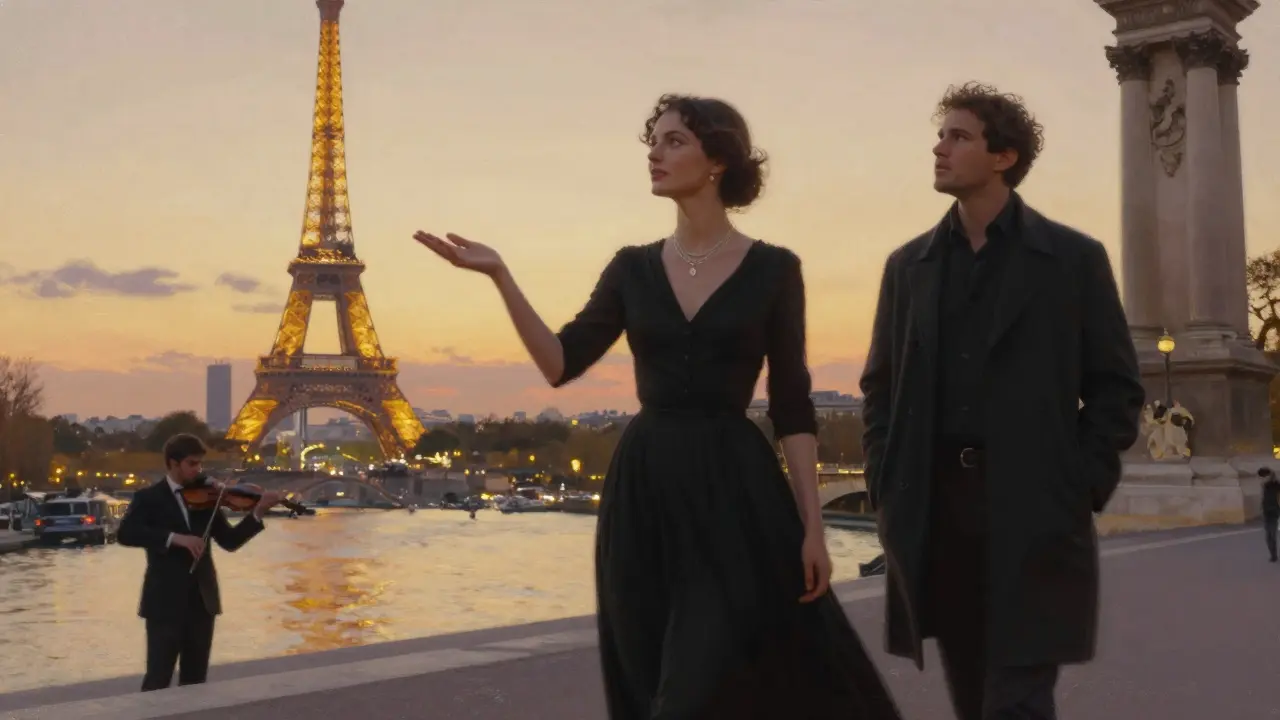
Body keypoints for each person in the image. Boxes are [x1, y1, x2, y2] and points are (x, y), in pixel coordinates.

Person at [413, 94, 902, 719]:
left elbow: (792, 406)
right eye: (655, 141)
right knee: (648, 681)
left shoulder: (776, 270)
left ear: (718, 159)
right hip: (644, 492)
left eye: (674, 141)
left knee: (697, 688)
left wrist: (812, 528)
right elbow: (559, 364)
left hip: (734, 493)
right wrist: (501, 276)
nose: (655, 153)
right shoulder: (631, 268)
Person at [859, 82, 1145, 720]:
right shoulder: (908, 267)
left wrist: (1077, 483)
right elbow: (879, 387)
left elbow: (1115, 387)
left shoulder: (1072, 259)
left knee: (1015, 700)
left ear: (1003, 156)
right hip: (936, 510)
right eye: (941, 136)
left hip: (1033, 505)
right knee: (971, 695)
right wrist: (884, 480)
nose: (939, 148)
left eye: (958, 136)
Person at [118, 433, 284, 691]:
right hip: (164, 603)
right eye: (192, 464)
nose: (199, 470)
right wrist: (175, 538)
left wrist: (258, 511)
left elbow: (230, 541)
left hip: (202, 603)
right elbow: (125, 534)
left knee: (196, 682)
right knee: (157, 678)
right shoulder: (149, 498)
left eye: (199, 464)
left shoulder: (206, 499)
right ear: (173, 463)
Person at [1259, 467, 1279, 562]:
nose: (1263, 479)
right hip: (1267, 513)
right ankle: (1273, 555)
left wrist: (1272, 474)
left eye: (1264, 477)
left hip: (1275, 513)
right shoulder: (1265, 487)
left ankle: (1274, 555)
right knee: (1269, 536)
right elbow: (1264, 500)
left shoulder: (1275, 485)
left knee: (1272, 534)